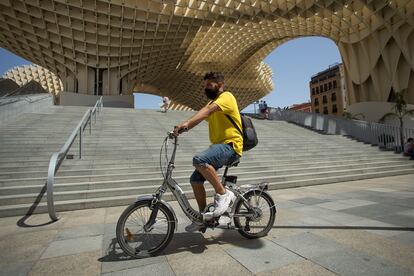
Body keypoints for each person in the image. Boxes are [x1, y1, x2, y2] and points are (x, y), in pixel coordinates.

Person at [173, 72, 243, 232]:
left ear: (220, 85)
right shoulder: (213, 102)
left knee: (199, 160)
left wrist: (187, 125)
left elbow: (208, 111)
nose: (205, 88)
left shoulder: (227, 97)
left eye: (209, 85)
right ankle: (204, 217)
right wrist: (183, 126)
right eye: (205, 86)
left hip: (231, 145)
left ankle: (224, 194)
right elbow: (201, 114)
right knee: (195, 180)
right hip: (219, 147)